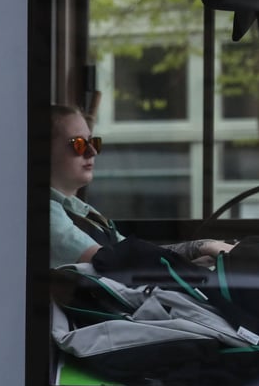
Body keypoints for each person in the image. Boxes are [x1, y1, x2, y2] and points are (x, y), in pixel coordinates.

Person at [49, 104, 232, 268]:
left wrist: (199, 251)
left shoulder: (81, 211)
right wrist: (201, 248)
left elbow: (131, 254)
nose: (93, 152)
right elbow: (112, 260)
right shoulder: (47, 215)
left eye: (93, 141)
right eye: (79, 144)